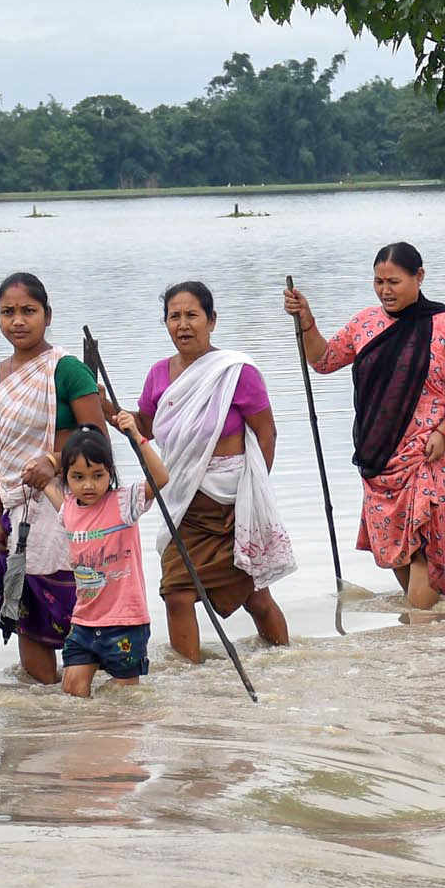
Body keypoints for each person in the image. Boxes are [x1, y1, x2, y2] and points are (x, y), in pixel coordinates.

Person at [283, 243, 445, 610]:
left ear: (418, 277)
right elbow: (324, 360)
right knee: (400, 557)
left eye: (394, 281)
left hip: (428, 455)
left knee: (422, 549)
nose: (385, 290)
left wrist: (442, 431)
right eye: (378, 282)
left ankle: (419, 638)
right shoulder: (366, 323)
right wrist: (307, 322)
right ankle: (426, 629)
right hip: (379, 459)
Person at [135, 281, 295, 661]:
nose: (183, 325)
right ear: (166, 324)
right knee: (176, 592)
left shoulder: (235, 372)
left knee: (255, 596)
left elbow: (266, 433)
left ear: (212, 320)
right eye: (175, 316)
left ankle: (286, 660)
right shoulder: (159, 375)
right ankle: (190, 674)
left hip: (232, 505)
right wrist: (106, 408)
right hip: (183, 503)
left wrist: (253, 492)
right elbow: (144, 426)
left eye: (192, 315)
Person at [0, 272, 108, 686]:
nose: (18, 321)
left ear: (47, 315)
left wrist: (55, 460)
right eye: (8, 312)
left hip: (66, 505)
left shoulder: (67, 369)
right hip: (16, 510)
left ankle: (80, 705)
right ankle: (44, 697)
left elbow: (96, 437)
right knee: (25, 602)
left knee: (75, 599)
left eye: (28, 311)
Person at [39, 423, 165, 698]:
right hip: (84, 622)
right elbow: (51, 492)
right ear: (67, 478)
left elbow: (160, 478)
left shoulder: (125, 502)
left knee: (123, 698)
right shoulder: (69, 509)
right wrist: (37, 475)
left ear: (110, 472)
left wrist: (135, 436)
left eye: (98, 475)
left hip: (125, 622)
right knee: (72, 690)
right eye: (78, 477)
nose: (88, 485)